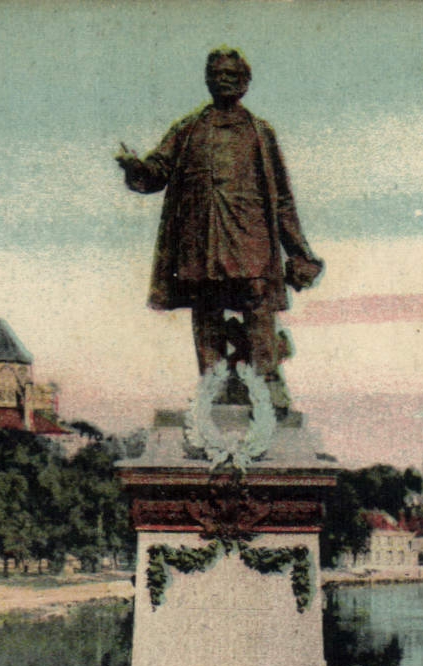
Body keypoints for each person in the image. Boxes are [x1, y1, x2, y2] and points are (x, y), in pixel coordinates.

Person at [116, 47, 323, 409]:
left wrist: (300, 253)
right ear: (207, 80)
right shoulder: (188, 129)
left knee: (257, 303)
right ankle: (211, 385)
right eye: (218, 74)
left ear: (246, 82)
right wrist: (136, 167)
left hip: (250, 236)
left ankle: (268, 381)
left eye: (233, 74)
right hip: (201, 239)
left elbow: (283, 200)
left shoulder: (261, 133)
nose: (225, 80)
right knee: (206, 308)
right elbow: (156, 172)